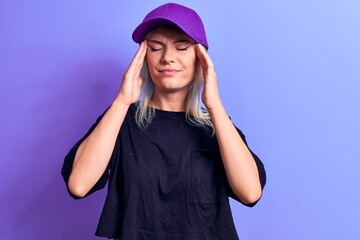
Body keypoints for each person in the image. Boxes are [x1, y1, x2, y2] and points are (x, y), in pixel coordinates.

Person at [61, 3, 266, 240]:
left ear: (201, 58)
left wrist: (214, 105)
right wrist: (122, 101)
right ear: (144, 56)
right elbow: (78, 185)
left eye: (181, 47)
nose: (168, 57)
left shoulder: (216, 126)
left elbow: (250, 192)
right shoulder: (121, 120)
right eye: (156, 48)